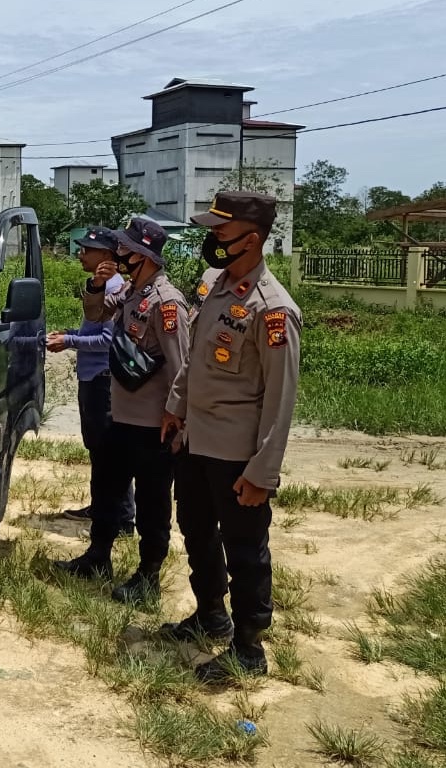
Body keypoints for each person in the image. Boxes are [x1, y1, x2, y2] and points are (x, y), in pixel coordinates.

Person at [159, 191, 302, 683]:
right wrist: (175, 409)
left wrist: (262, 471)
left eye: (220, 232)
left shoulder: (273, 309)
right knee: (196, 531)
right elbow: (197, 362)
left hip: (236, 455)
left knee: (244, 549)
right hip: (195, 442)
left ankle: (248, 648)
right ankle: (209, 614)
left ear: (252, 239)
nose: (212, 240)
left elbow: (280, 400)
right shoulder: (216, 287)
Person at [54, 216, 190, 605]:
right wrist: (96, 284)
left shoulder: (167, 303)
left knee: (151, 502)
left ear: (142, 255)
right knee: (107, 486)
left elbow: (182, 366)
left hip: (153, 423)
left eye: (126, 249)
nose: (120, 254)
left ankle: (148, 576)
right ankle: (98, 556)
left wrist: (175, 416)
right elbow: (97, 314)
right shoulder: (134, 292)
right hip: (122, 414)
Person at [46, 227, 135, 536]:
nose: (80, 253)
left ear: (107, 257)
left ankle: (121, 519)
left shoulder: (114, 288)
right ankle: (102, 508)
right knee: (98, 449)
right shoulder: (101, 285)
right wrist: (71, 335)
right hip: (93, 376)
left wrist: (68, 340)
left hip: (103, 379)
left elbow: (107, 340)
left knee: (109, 452)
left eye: (87, 249)